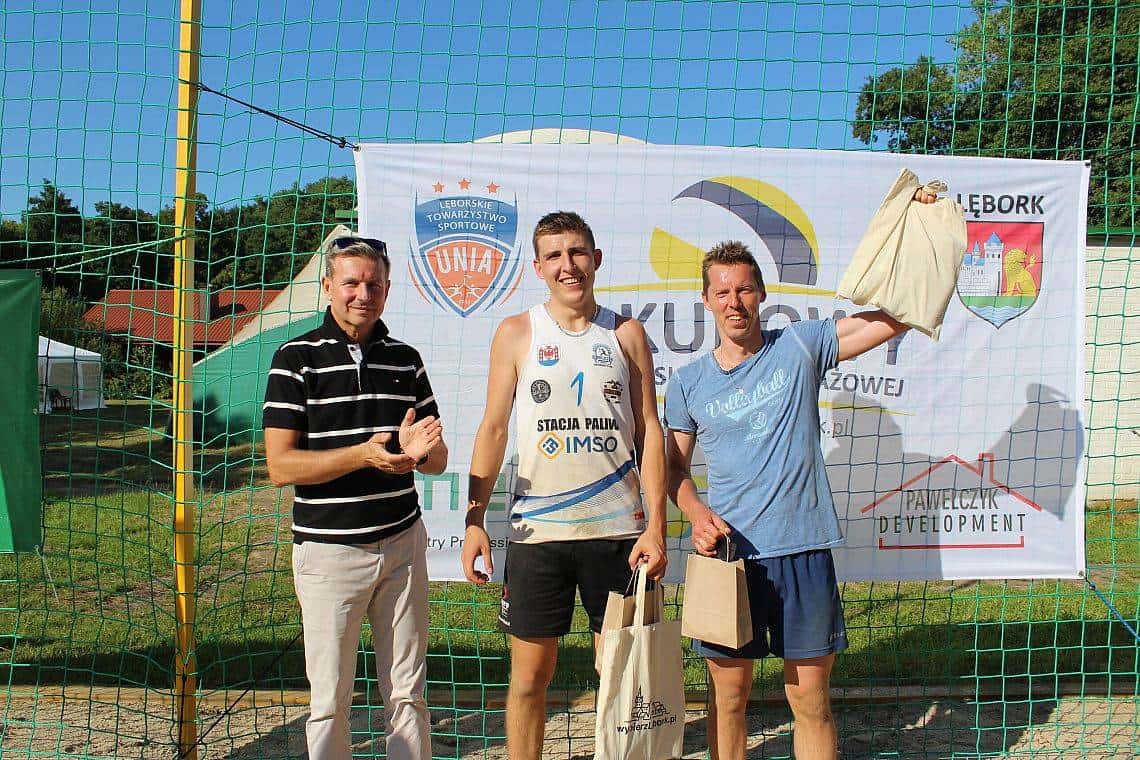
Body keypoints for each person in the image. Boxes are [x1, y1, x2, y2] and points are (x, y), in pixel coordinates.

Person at [665, 188, 936, 760]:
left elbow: (893, 319)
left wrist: (925, 227)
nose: (734, 301)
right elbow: (672, 469)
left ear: (762, 294)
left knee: (809, 700)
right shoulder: (689, 382)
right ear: (706, 300)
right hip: (729, 558)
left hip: (803, 549)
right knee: (727, 701)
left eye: (744, 289)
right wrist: (696, 512)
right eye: (722, 292)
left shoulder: (801, 346)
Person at [461, 211, 668, 760]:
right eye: (554, 255)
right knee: (530, 678)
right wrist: (474, 519)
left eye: (576, 252)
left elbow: (650, 431)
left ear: (596, 259)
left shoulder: (626, 334)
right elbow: (493, 429)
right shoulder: (516, 332)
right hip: (539, 536)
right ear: (538, 267)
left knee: (622, 676)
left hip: (618, 534)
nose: (567, 265)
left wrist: (657, 526)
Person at [263, 234, 448, 760]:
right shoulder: (294, 358)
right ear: (328, 287)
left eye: (374, 284)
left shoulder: (406, 360)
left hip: (402, 544)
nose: (363, 294)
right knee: (330, 700)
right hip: (330, 552)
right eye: (351, 283)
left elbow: (438, 458)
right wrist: (363, 456)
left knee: (408, 693)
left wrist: (419, 453)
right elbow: (280, 466)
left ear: (387, 291)